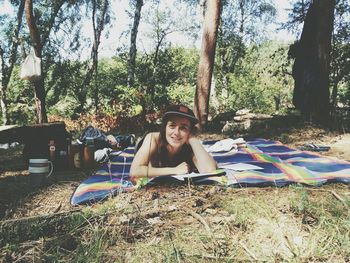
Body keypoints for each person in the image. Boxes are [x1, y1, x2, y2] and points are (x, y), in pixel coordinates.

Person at [130, 104, 217, 179]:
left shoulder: (190, 146)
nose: (176, 133)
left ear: (190, 131)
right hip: (143, 149)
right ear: (165, 128)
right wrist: (175, 170)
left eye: (183, 128)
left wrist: (192, 139)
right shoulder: (153, 138)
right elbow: (135, 172)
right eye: (172, 126)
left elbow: (211, 171)